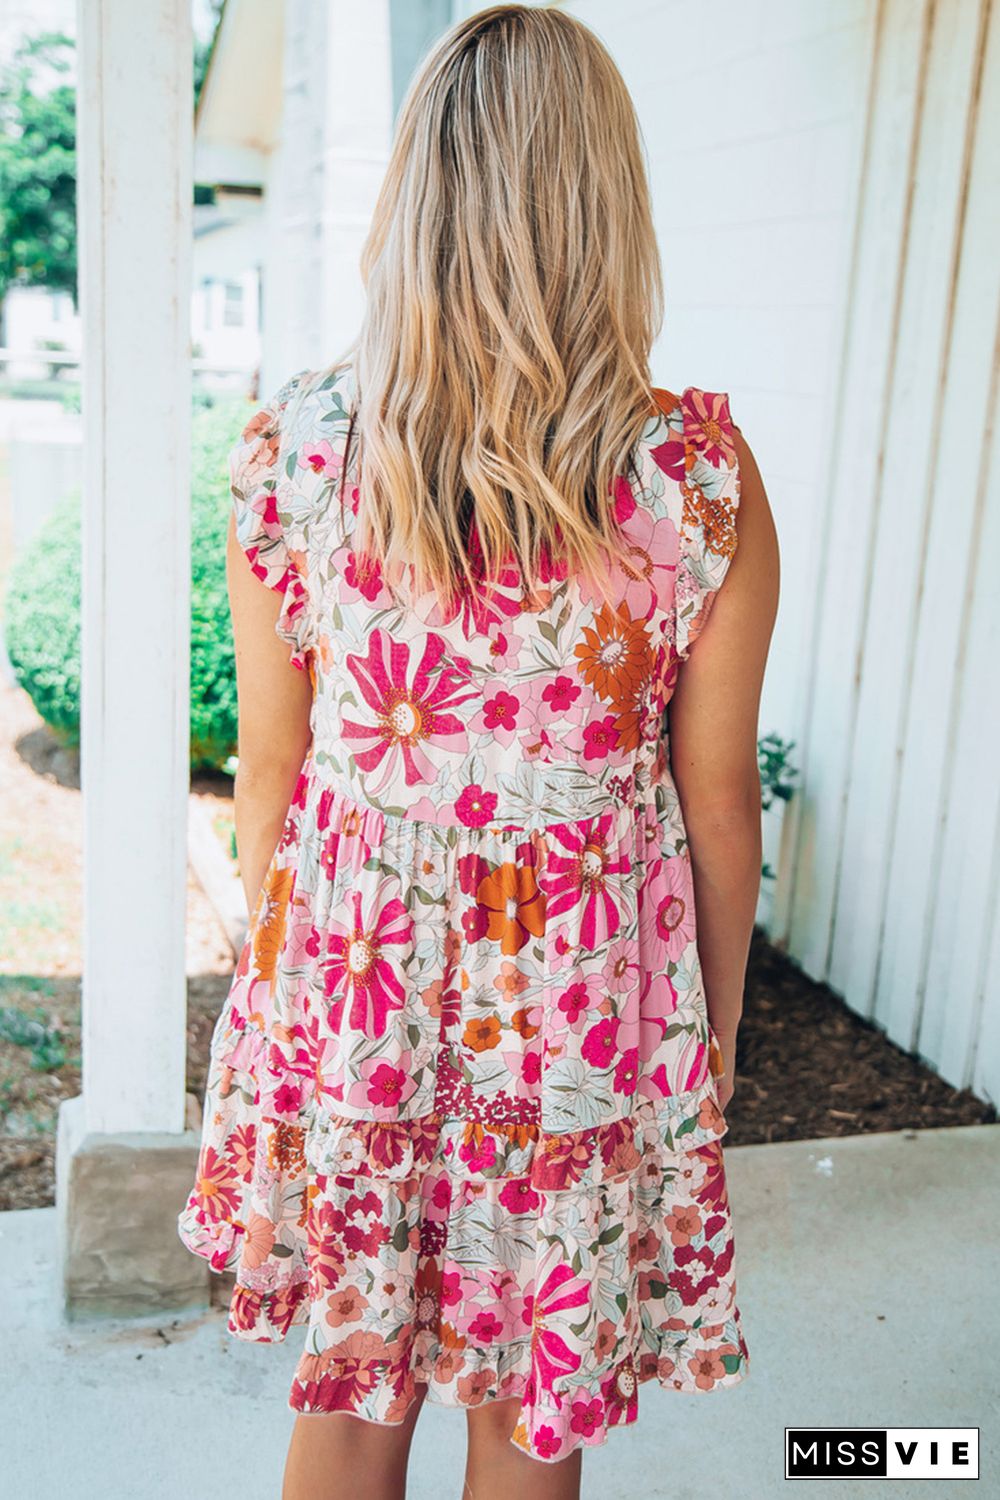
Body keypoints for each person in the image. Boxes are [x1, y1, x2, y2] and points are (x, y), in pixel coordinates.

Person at [178, 6, 779, 1498]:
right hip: (578, 1014)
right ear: (607, 205)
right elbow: (718, 806)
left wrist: (288, 1004)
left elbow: (274, 775)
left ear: (415, 199)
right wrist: (706, 1040)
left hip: (355, 987)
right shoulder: (691, 480)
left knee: (349, 1390)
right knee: (526, 1409)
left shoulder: (299, 453)